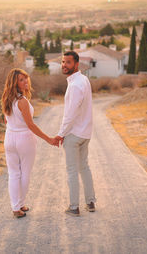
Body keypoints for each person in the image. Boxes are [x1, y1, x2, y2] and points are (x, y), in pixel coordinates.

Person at [1, 68, 58, 218]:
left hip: (9, 138)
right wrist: (49, 139)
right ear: (15, 83)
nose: (26, 81)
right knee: (24, 173)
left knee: (13, 174)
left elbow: (6, 120)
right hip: (24, 139)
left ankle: (17, 206)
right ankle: (18, 205)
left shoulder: (6, 98)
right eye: (21, 79)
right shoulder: (22, 102)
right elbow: (31, 125)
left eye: (26, 78)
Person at [54, 51, 96, 216]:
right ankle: (90, 202)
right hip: (85, 133)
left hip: (74, 134)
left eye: (68, 62)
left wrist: (60, 134)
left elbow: (70, 114)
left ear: (76, 64)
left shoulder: (75, 85)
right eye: (63, 62)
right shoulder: (83, 79)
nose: (64, 65)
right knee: (84, 167)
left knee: (72, 170)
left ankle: (73, 207)